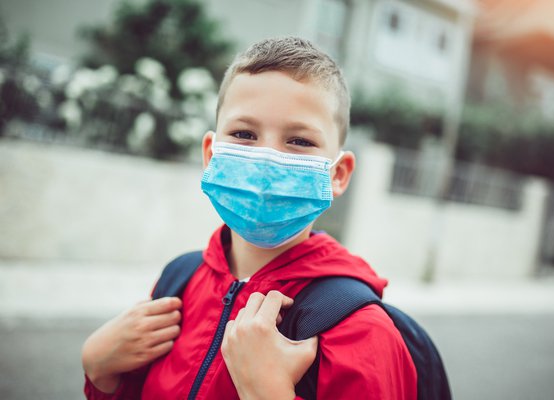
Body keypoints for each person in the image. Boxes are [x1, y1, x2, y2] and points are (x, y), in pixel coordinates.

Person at [82, 36, 417, 400]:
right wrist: (101, 374)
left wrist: (267, 392)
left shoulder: (360, 330)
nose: (267, 160)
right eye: (244, 134)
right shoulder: (178, 283)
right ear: (211, 155)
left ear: (338, 174)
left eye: (300, 141)